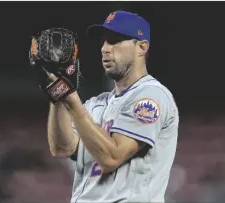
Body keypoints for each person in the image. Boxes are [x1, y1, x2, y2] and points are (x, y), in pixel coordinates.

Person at [44, 10, 179, 202]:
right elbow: (62, 148)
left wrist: (74, 105)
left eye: (115, 40)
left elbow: (111, 158)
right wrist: (58, 95)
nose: (105, 49)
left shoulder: (151, 95)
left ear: (141, 47)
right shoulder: (96, 104)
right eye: (104, 41)